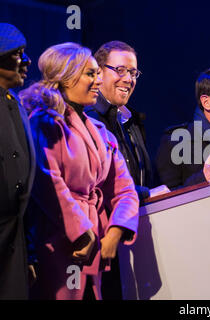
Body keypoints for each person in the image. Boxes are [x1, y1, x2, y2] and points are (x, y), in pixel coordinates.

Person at [19, 42, 139, 300]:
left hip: (94, 242)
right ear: (66, 76)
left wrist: (115, 232)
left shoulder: (101, 132)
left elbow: (125, 189)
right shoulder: (45, 121)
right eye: (90, 74)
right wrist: (81, 233)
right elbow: (48, 183)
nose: (98, 81)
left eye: (97, 73)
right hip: (58, 241)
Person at [84, 41, 169, 299]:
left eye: (133, 73)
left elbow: (140, 176)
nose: (128, 79)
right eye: (120, 70)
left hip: (135, 238)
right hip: (102, 239)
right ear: (98, 72)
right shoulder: (89, 119)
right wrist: (146, 193)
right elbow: (99, 183)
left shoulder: (129, 121)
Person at [0, 23, 35, 299]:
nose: (26, 61)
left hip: (16, 242)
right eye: (18, 53)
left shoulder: (17, 105)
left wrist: (30, 252)